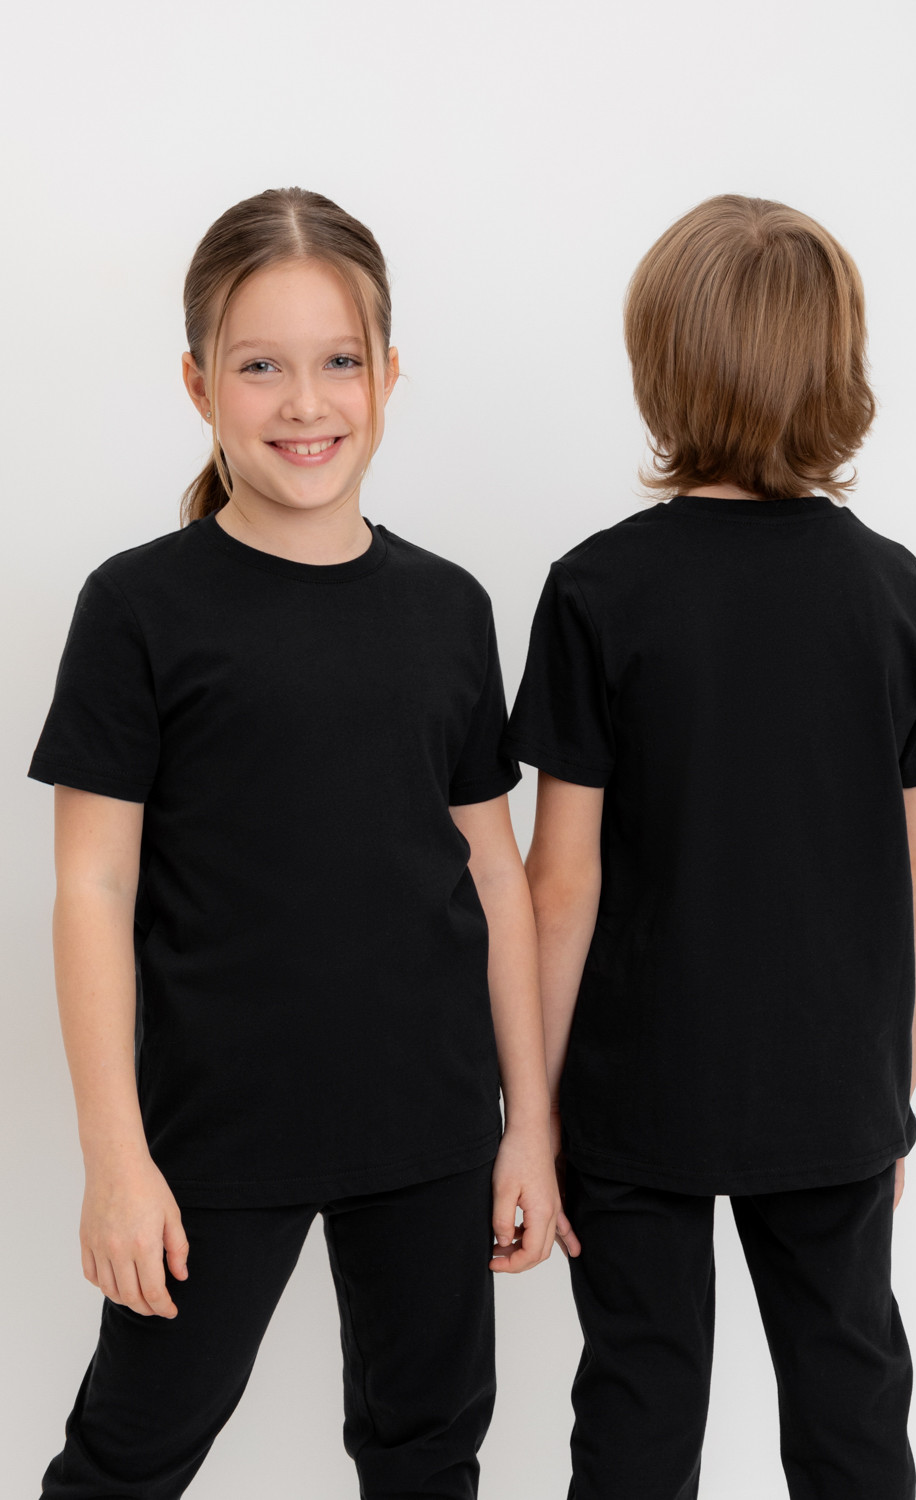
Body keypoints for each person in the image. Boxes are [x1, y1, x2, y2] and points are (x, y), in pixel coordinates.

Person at [28, 185, 558, 1500]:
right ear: (199, 383)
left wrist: (530, 1125)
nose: (305, 403)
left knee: (428, 1453)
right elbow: (92, 885)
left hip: (433, 1126)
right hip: (215, 1136)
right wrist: (115, 1158)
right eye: (261, 366)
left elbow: (494, 875)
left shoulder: (447, 608)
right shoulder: (138, 608)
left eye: (338, 363)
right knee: (127, 1456)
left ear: (388, 374)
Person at [500, 194, 916, 1500]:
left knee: (638, 1403)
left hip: (636, 1089)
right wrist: (888, 1089)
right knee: (850, 1401)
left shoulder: (599, 589)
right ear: (836, 368)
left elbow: (561, 884)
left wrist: (531, 1114)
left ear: (661, 363)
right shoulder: (894, 590)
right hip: (833, 1086)